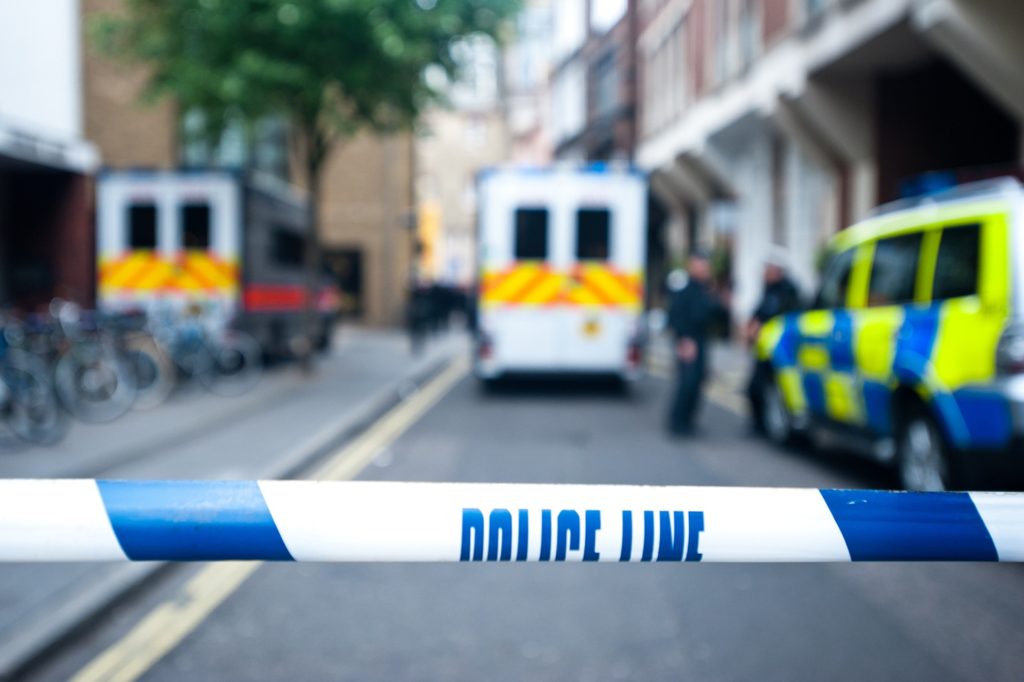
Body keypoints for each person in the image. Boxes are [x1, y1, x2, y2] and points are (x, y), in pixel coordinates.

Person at [666, 250, 728, 436]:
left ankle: (688, 421)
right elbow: (675, 317)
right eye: (700, 264)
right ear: (692, 266)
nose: (704, 268)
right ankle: (678, 422)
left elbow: (717, 315)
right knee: (687, 382)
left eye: (706, 265)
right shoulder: (684, 290)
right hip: (688, 341)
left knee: (698, 381)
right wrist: (683, 340)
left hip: (701, 340)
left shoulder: (706, 290)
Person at [745, 250, 801, 432]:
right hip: (765, 349)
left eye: (768, 269)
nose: (764, 273)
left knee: (776, 390)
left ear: (778, 270)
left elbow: (787, 318)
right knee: (755, 388)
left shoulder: (789, 291)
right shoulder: (768, 289)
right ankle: (758, 424)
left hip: (782, 351)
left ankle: (770, 425)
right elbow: (759, 311)